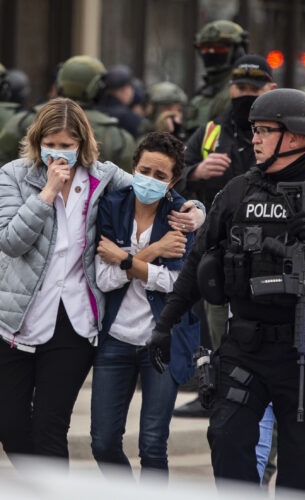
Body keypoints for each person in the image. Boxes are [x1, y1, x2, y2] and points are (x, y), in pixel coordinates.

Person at [147, 88, 305, 492]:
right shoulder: (239, 191)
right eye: (254, 130)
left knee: (304, 469)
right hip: (245, 345)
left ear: (296, 137)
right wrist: (166, 323)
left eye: (264, 130)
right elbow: (199, 259)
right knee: (228, 443)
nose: (255, 140)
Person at [0, 97, 133, 467]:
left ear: (82, 144)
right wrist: (45, 195)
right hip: (16, 319)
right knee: (10, 426)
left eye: (67, 145)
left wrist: (195, 210)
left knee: (49, 427)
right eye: (51, 144)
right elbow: (11, 240)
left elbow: (149, 193)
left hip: (74, 322)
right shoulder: (13, 175)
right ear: (38, 141)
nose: (58, 154)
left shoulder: (102, 177)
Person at [173, 53, 277, 419]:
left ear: (271, 89)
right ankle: (211, 388)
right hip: (215, 245)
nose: (244, 94)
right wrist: (197, 171)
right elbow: (171, 173)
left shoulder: (278, 132)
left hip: (268, 248)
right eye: (239, 87)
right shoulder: (211, 132)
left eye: (254, 88)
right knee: (210, 319)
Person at [90, 131, 198, 478]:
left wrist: (124, 260)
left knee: (152, 445)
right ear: (133, 167)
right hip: (116, 339)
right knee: (103, 442)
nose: (149, 180)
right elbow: (104, 280)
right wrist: (150, 254)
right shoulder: (113, 205)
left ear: (173, 182)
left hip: (162, 342)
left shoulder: (181, 215)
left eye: (160, 175)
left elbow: (177, 285)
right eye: (144, 170)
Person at [0, 55, 137, 172]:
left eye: (66, 145)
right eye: (49, 144)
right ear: (97, 88)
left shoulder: (22, 121)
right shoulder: (117, 136)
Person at [184, 19, 248, 137]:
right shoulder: (201, 95)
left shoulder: (241, 91)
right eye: (206, 49)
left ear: (237, 51)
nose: (211, 53)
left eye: (219, 48)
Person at [98, 64, 153, 139]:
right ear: (124, 89)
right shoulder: (128, 117)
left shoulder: (98, 109)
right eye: (131, 88)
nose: (133, 92)